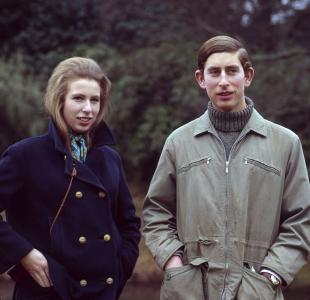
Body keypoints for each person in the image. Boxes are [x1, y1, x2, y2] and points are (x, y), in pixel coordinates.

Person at [142, 36, 310, 299]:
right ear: (200, 79)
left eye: (232, 71)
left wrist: (271, 276)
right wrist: (174, 265)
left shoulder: (285, 143)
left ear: (248, 76)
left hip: (258, 292)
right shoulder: (179, 142)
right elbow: (156, 213)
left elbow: (301, 220)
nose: (223, 81)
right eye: (214, 72)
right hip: (188, 292)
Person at [0, 57, 141, 300]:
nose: (88, 108)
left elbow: (128, 223)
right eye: (78, 98)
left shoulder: (109, 158)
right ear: (60, 100)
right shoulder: (25, 155)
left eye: (95, 100)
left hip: (101, 291)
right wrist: (24, 253)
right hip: (45, 290)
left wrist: (121, 267)